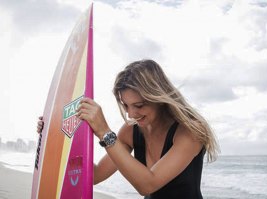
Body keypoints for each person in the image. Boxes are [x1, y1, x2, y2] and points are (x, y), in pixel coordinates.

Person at [37, 59, 219, 199]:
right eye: (125, 105)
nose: (131, 114)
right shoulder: (131, 131)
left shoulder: (191, 131)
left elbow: (148, 184)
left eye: (139, 105)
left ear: (158, 97)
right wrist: (54, 134)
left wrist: (104, 133)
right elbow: (95, 175)